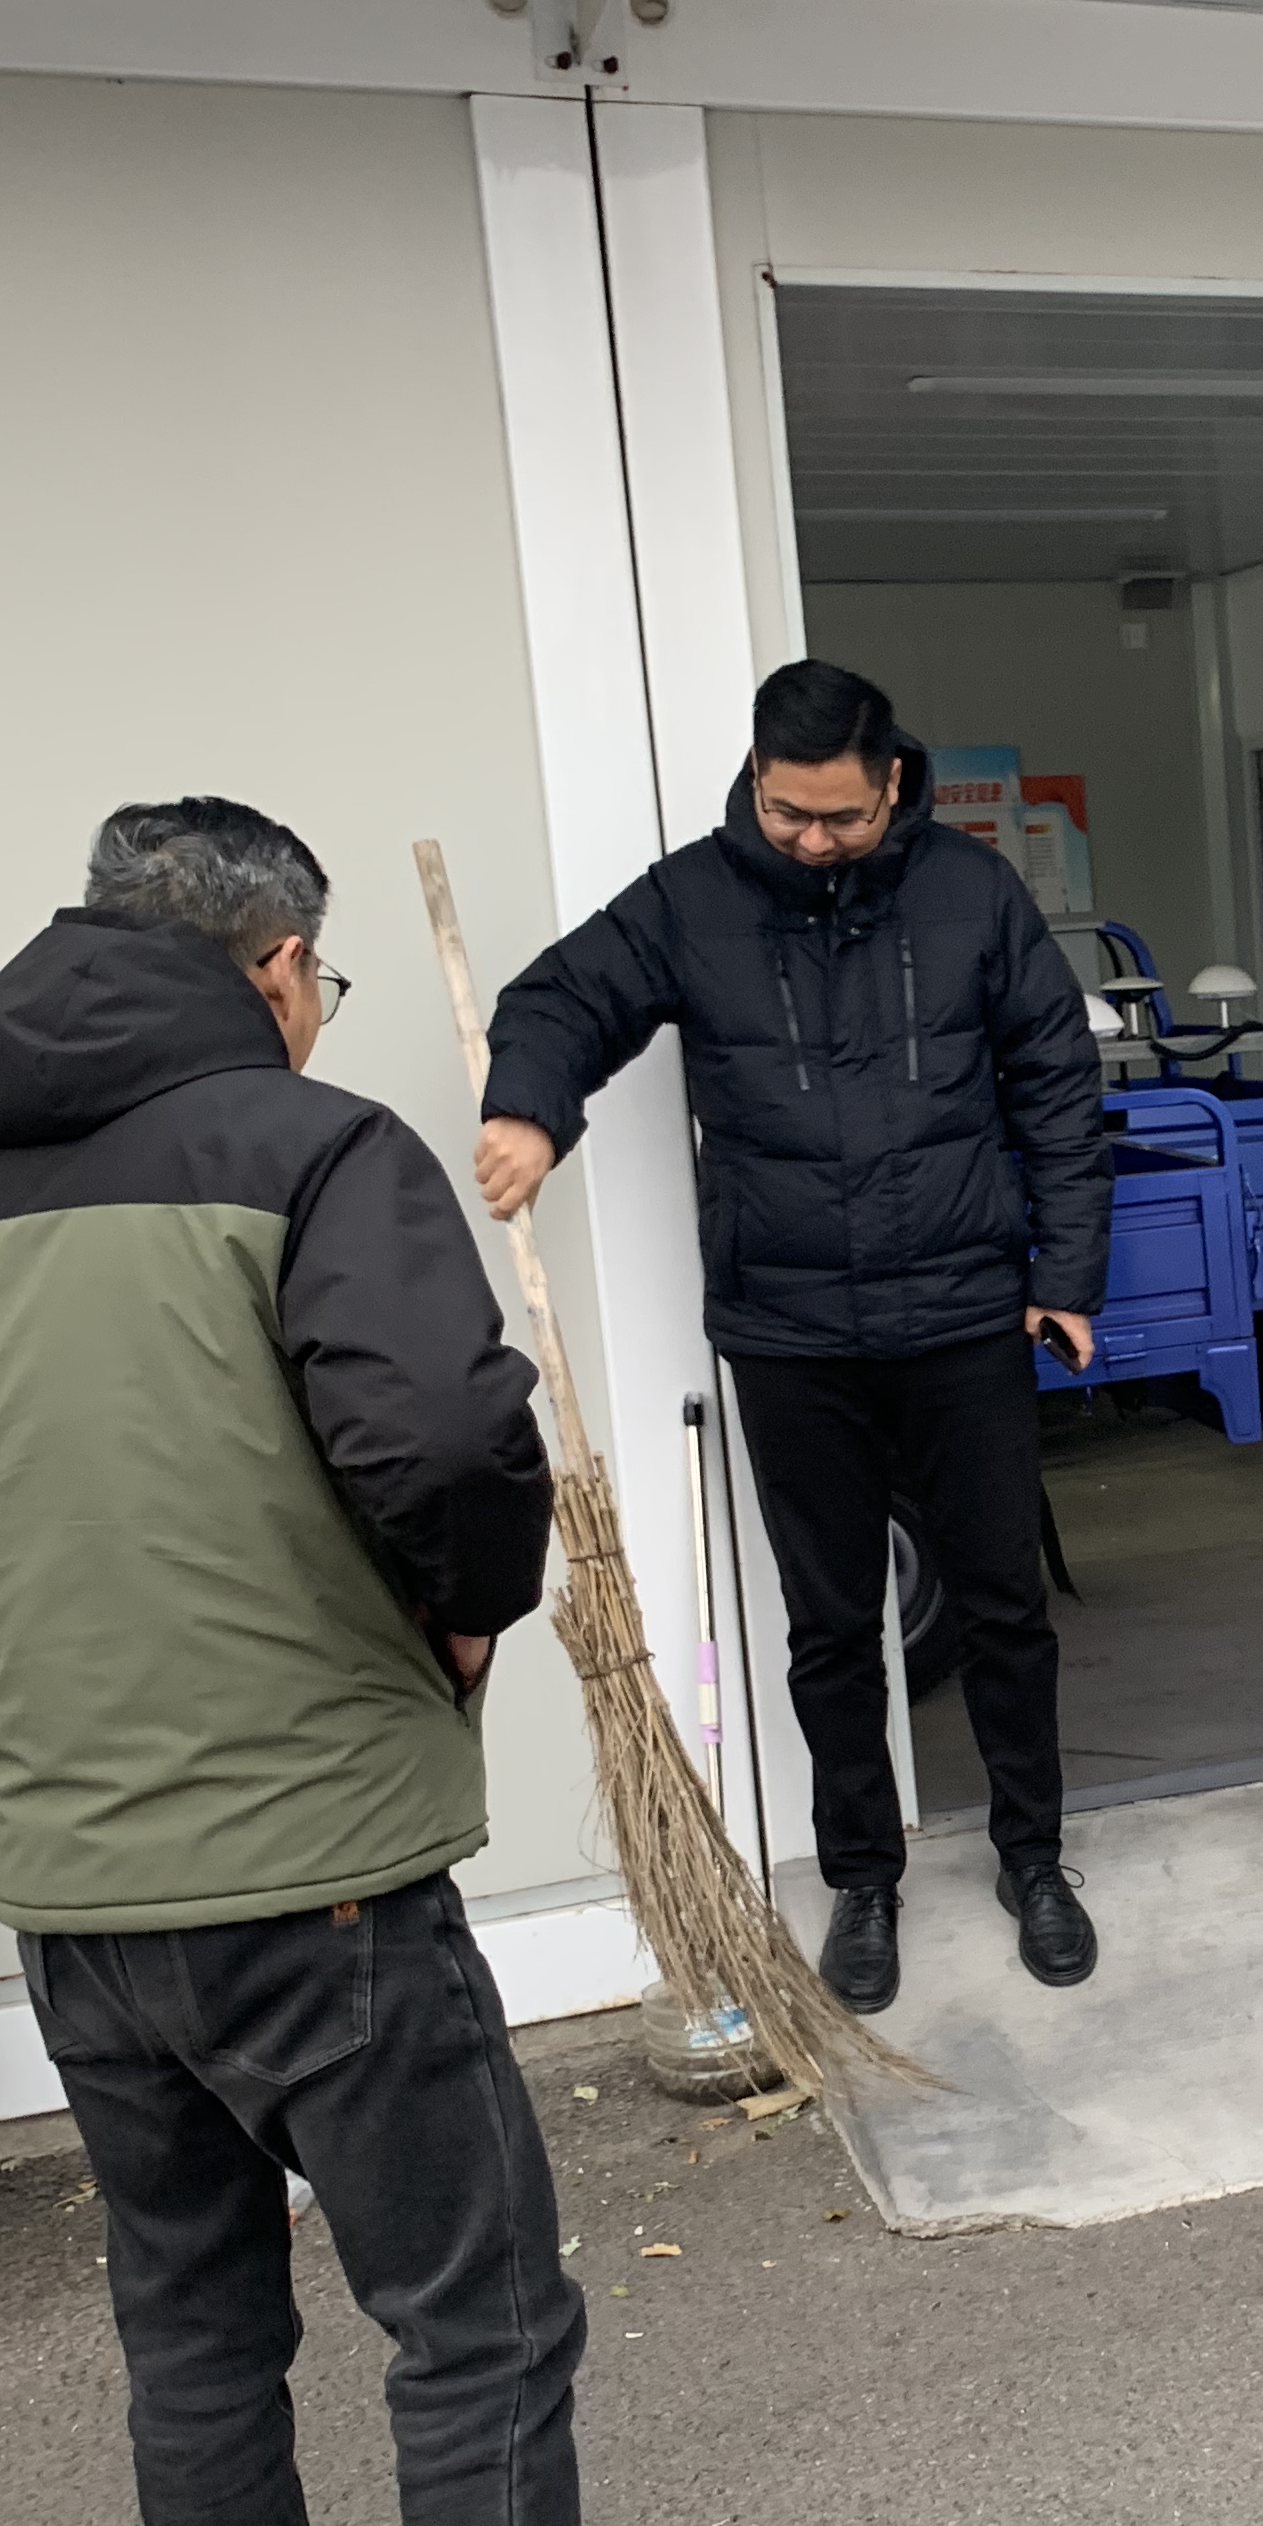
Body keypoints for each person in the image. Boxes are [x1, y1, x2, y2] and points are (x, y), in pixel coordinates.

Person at [0, 799, 795, 2526]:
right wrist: (455, 1621)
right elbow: (443, 1441)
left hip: (79, 1892)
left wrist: (77, 1675)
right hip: (315, 1872)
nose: (321, 1011)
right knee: (475, 2322)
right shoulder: (317, 1153)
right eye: (318, 980)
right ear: (273, 965)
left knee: (192, 2331)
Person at [474, 661, 1109, 2009]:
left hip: (960, 1312)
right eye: (787, 812)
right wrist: (530, 1107)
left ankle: (1034, 1860)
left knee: (1003, 1603)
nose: (813, 841)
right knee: (829, 1622)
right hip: (791, 1327)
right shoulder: (695, 899)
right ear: (758, 781)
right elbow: (558, 1000)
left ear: (894, 782)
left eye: (841, 816)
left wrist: (1068, 1273)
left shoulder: (973, 894)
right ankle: (862, 1880)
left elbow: (1057, 1078)